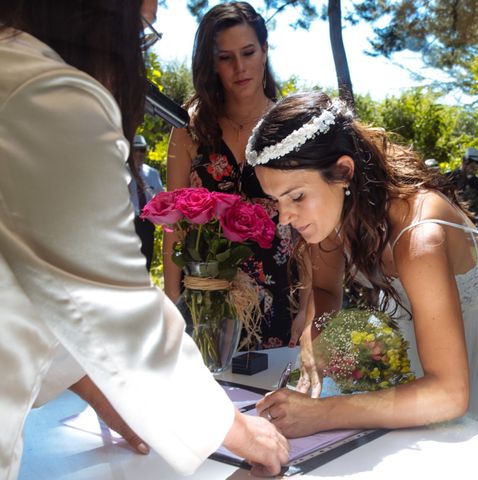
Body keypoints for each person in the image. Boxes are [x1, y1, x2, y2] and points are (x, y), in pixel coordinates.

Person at [0, 1, 288, 478]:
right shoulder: (47, 94)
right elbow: (107, 304)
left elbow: (27, 281)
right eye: (140, 28)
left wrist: (95, 386)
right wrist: (233, 427)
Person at [247, 92, 478, 453]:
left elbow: (449, 393)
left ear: (343, 171)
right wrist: (312, 345)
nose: (284, 218)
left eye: (296, 197)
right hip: (412, 331)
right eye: (276, 201)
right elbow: (323, 290)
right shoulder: (333, 210)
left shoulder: (420, 238)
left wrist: (321, 414)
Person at [164, 1, 306, 349]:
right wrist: (169, 307)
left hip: (281, 302)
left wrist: (310, 307)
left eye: (248, 52)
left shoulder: (293, 127)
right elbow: (174, 225)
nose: (240, 67)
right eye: (225, 57)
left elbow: (312, 230)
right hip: (205, 305)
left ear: (264, 51)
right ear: (211, 63)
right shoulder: (189, 130)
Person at [128, 134, 164, 271]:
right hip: (129, 224)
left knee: (145, 262)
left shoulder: (152, 173)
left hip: (147, 224)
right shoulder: (123, 171)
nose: (138, 154)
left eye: (142, 150)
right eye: (135, 150)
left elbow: (160, 198)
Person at [448, 147, 478, 219]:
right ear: (464, 161)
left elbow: (477, 208)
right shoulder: (448, 178)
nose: (473, 170)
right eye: (472, 166)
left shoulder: (477, 183)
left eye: (475, 168)